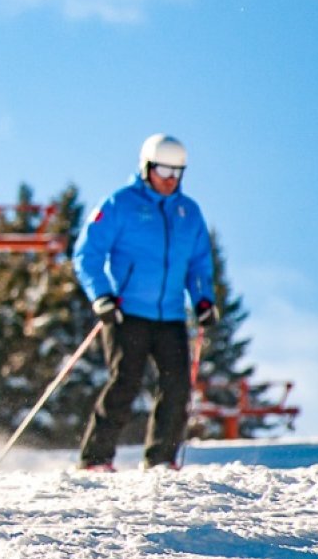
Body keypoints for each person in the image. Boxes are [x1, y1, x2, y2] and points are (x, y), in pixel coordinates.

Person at [74, 134, 218, 472]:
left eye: (176, 172)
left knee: (177, 386)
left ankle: (161, 459)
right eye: (163, 170)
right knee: (126, 381)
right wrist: (101, 295)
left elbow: (199, 263)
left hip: (170, 314)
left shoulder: (189, 213)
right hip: (127, 312)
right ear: (146, 167)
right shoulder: (119, 204)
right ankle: (95, 458)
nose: (169, 179)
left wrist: (203, 300)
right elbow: (87, 254)